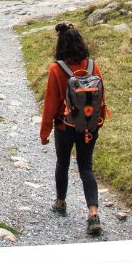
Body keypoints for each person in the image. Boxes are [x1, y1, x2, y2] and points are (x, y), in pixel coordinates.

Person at [40, 22, 108, 236]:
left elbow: (50, 103)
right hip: (90, 126)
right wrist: (97, 122)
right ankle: (93, 213)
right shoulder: (92, 66)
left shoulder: (56, 69)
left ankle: (60, 202)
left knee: (63, 162)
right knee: (86, 167)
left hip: (65, 126)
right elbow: (101, 97)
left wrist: (45, 132)